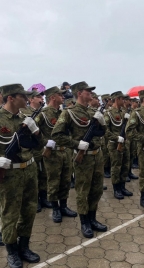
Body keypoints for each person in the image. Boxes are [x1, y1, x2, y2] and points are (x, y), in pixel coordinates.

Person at [52, 81, 107, 238]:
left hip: (98, 155)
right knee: (83, 191)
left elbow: (101, 133)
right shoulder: (69, 113)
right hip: (84, 158)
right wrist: (77, 144)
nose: (90, 93)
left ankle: (92, 218)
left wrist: (102, 124)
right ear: (79, 93)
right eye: (87, 91)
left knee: (96, 190)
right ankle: (84, 222)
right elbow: (57, 135)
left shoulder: (92, 112)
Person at [0, 83, 44, 268]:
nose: (27, 100)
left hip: (29, 169)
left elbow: (39, 144)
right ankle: (11, 251)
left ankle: (24, 246)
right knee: (10, 213)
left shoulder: (27, 118)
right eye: (23, 96)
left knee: (29, 210)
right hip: (9, 174)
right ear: (11, 98)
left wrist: (35, 130)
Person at [36, 86, 78, 223]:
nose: (63, 97)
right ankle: (55, 209)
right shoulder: (42, 114)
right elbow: (32, 132)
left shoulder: (63, 113)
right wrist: (45, 142)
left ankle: (64, 206)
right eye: (60, 95)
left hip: (65, 151)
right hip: (52, 153)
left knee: (66, 180)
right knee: (54, 181)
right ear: (53, 97)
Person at [20, 90, 52, 212]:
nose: (41, 99)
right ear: (31, 99)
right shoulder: (24, 112)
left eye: (42, 97)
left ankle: (44, 197)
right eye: (38, 97)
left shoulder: (42, 112)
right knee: (35, 176)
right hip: (30, 149)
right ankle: (36, 200)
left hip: (41, 146)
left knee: (44, 174)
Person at [104, 91, 133, 200]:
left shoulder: (124, 112)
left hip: (125, 144)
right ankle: (116, 189)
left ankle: (122, 186)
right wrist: (117, 138)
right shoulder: (108, 113)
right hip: (114, 145)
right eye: (122, 99)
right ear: (117, 99)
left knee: (125, 165)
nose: (124, 101)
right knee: (116, 167)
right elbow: (105, 131)